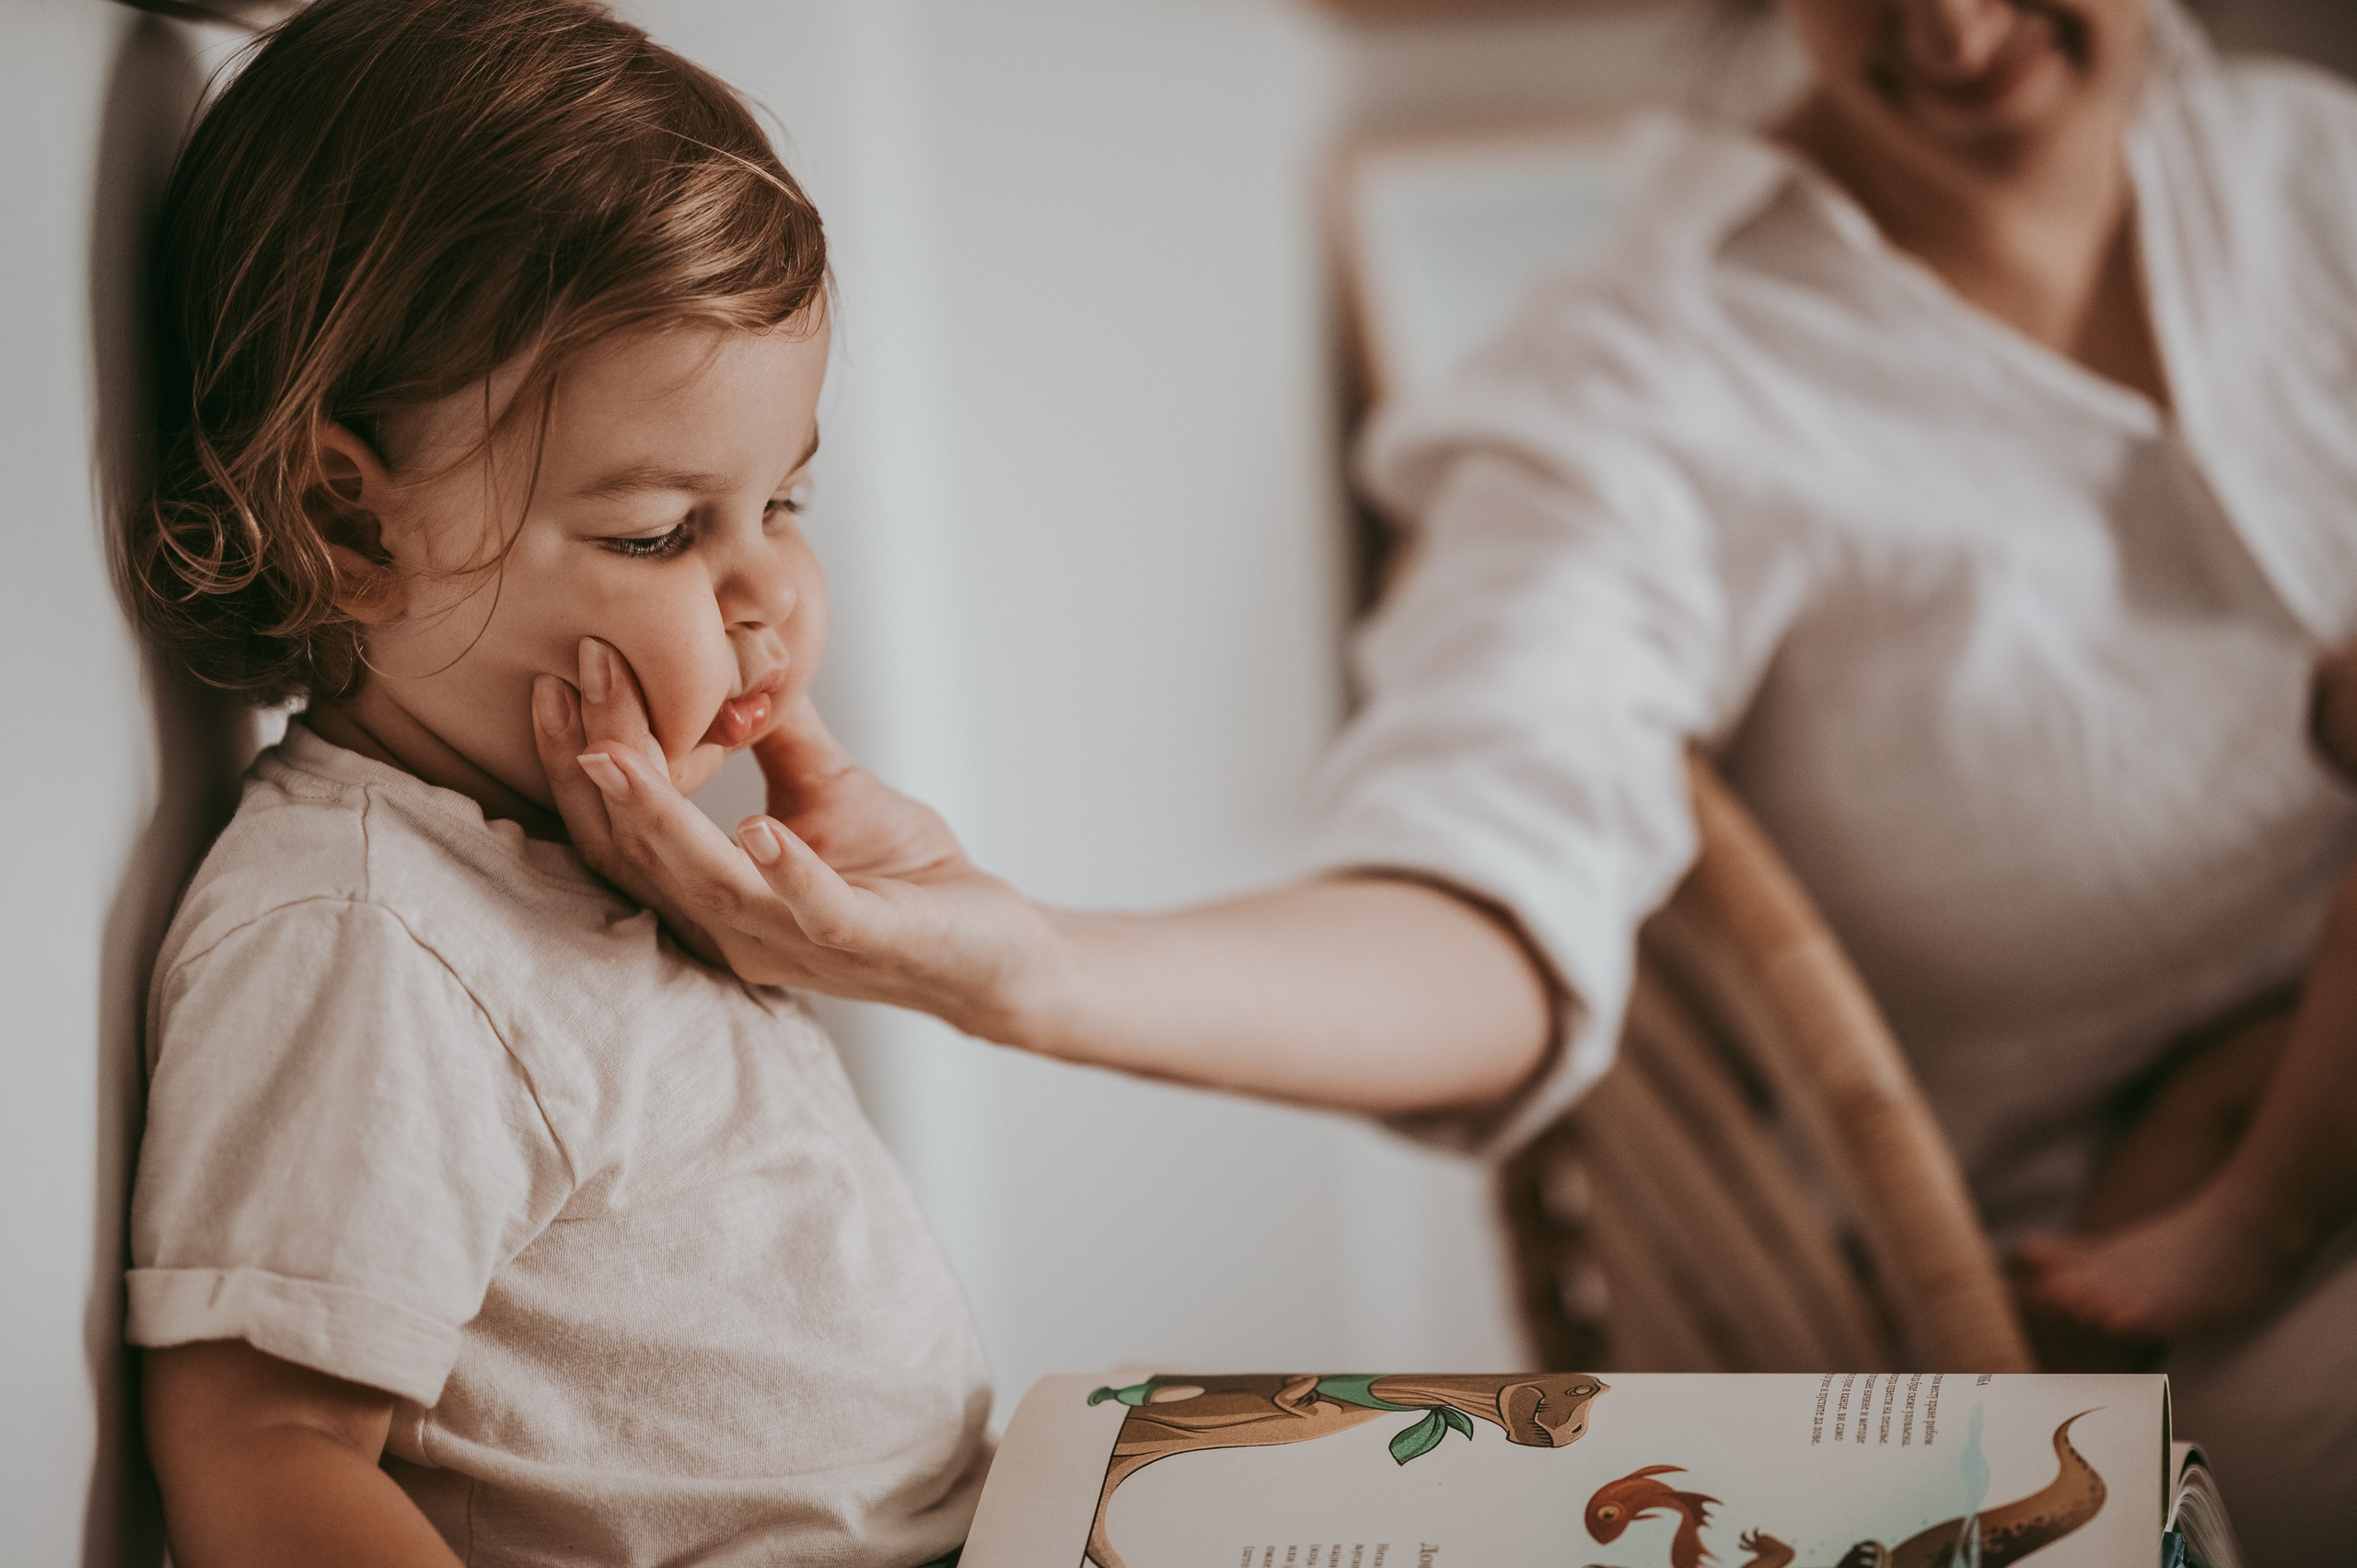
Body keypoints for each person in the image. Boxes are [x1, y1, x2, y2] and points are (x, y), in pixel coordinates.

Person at [538, 0, 2357, 1561]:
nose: (1951, 25)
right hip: (2149, 1292)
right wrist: (1032, 963)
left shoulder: (2309, 171)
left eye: (775, 507)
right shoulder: (1647, 379)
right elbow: (1481, 884)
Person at [123, 4, 991, 1564]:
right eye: (662, 531)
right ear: (352, 527)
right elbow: (263, 1450)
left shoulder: (579, 856)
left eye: (782, 500)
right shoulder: (366, 940)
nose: (767, 593)